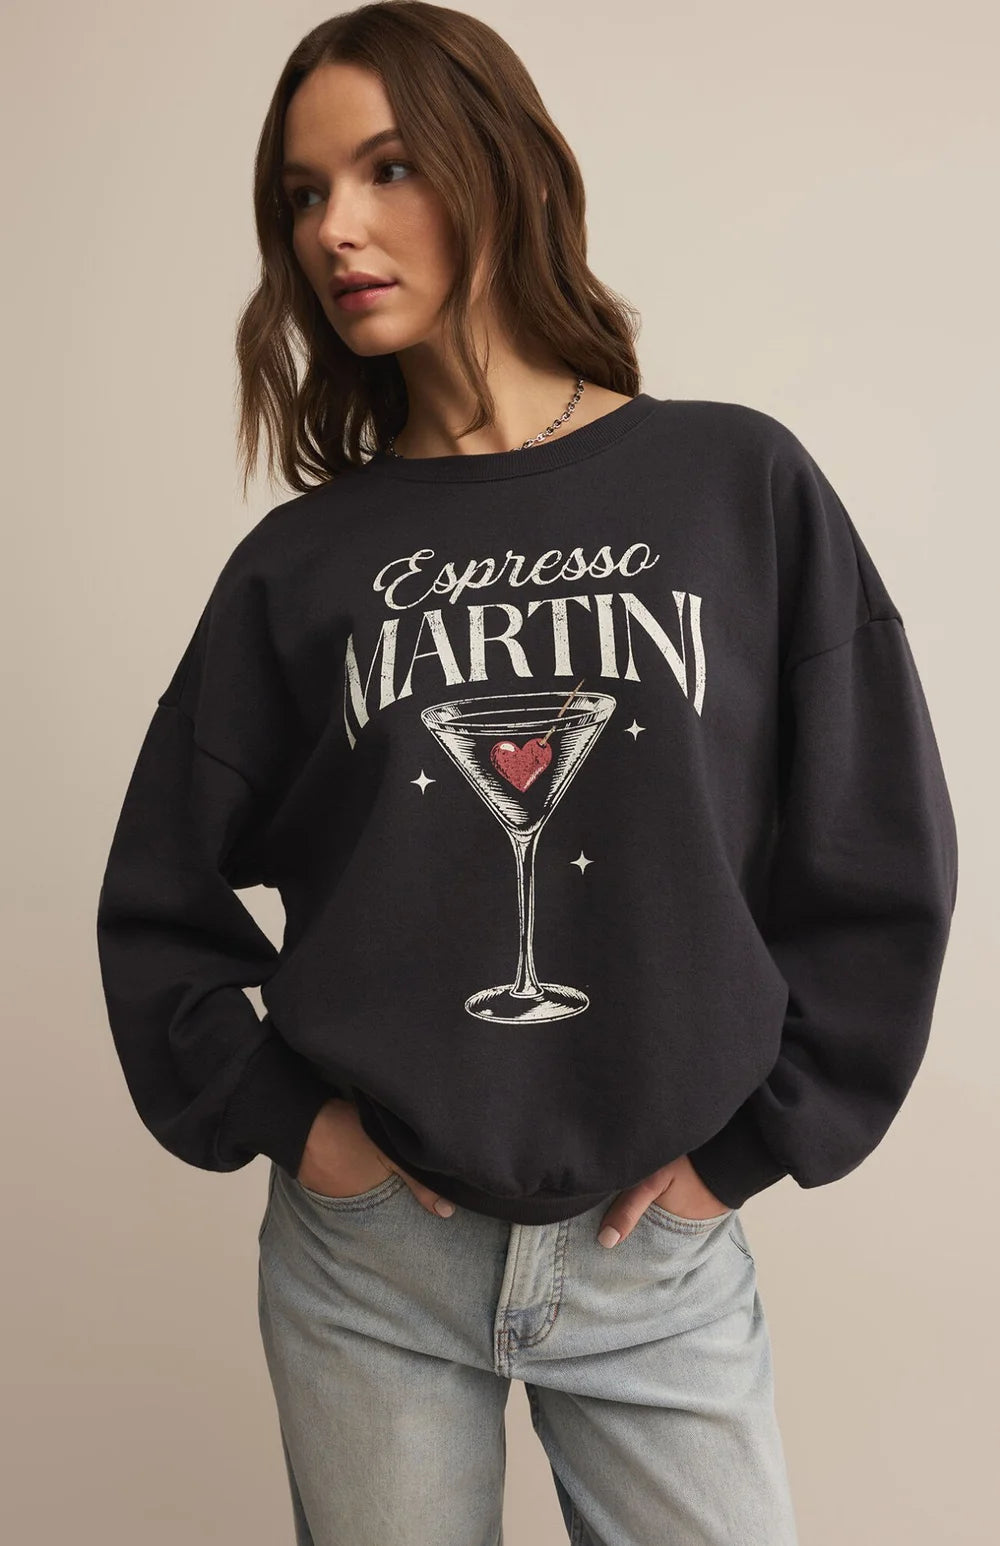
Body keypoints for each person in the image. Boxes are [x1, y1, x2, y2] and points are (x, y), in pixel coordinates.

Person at [95, 5, 959, 1544]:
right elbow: (158, 901)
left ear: (501, 169)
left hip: (656, 1257)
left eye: (388, 168)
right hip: (372, 1262)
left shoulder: (735, 483)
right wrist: (304, 1130)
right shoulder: (300, 565)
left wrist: (743, 1152)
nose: (335, 229)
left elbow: (881, 850)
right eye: (303, 193)